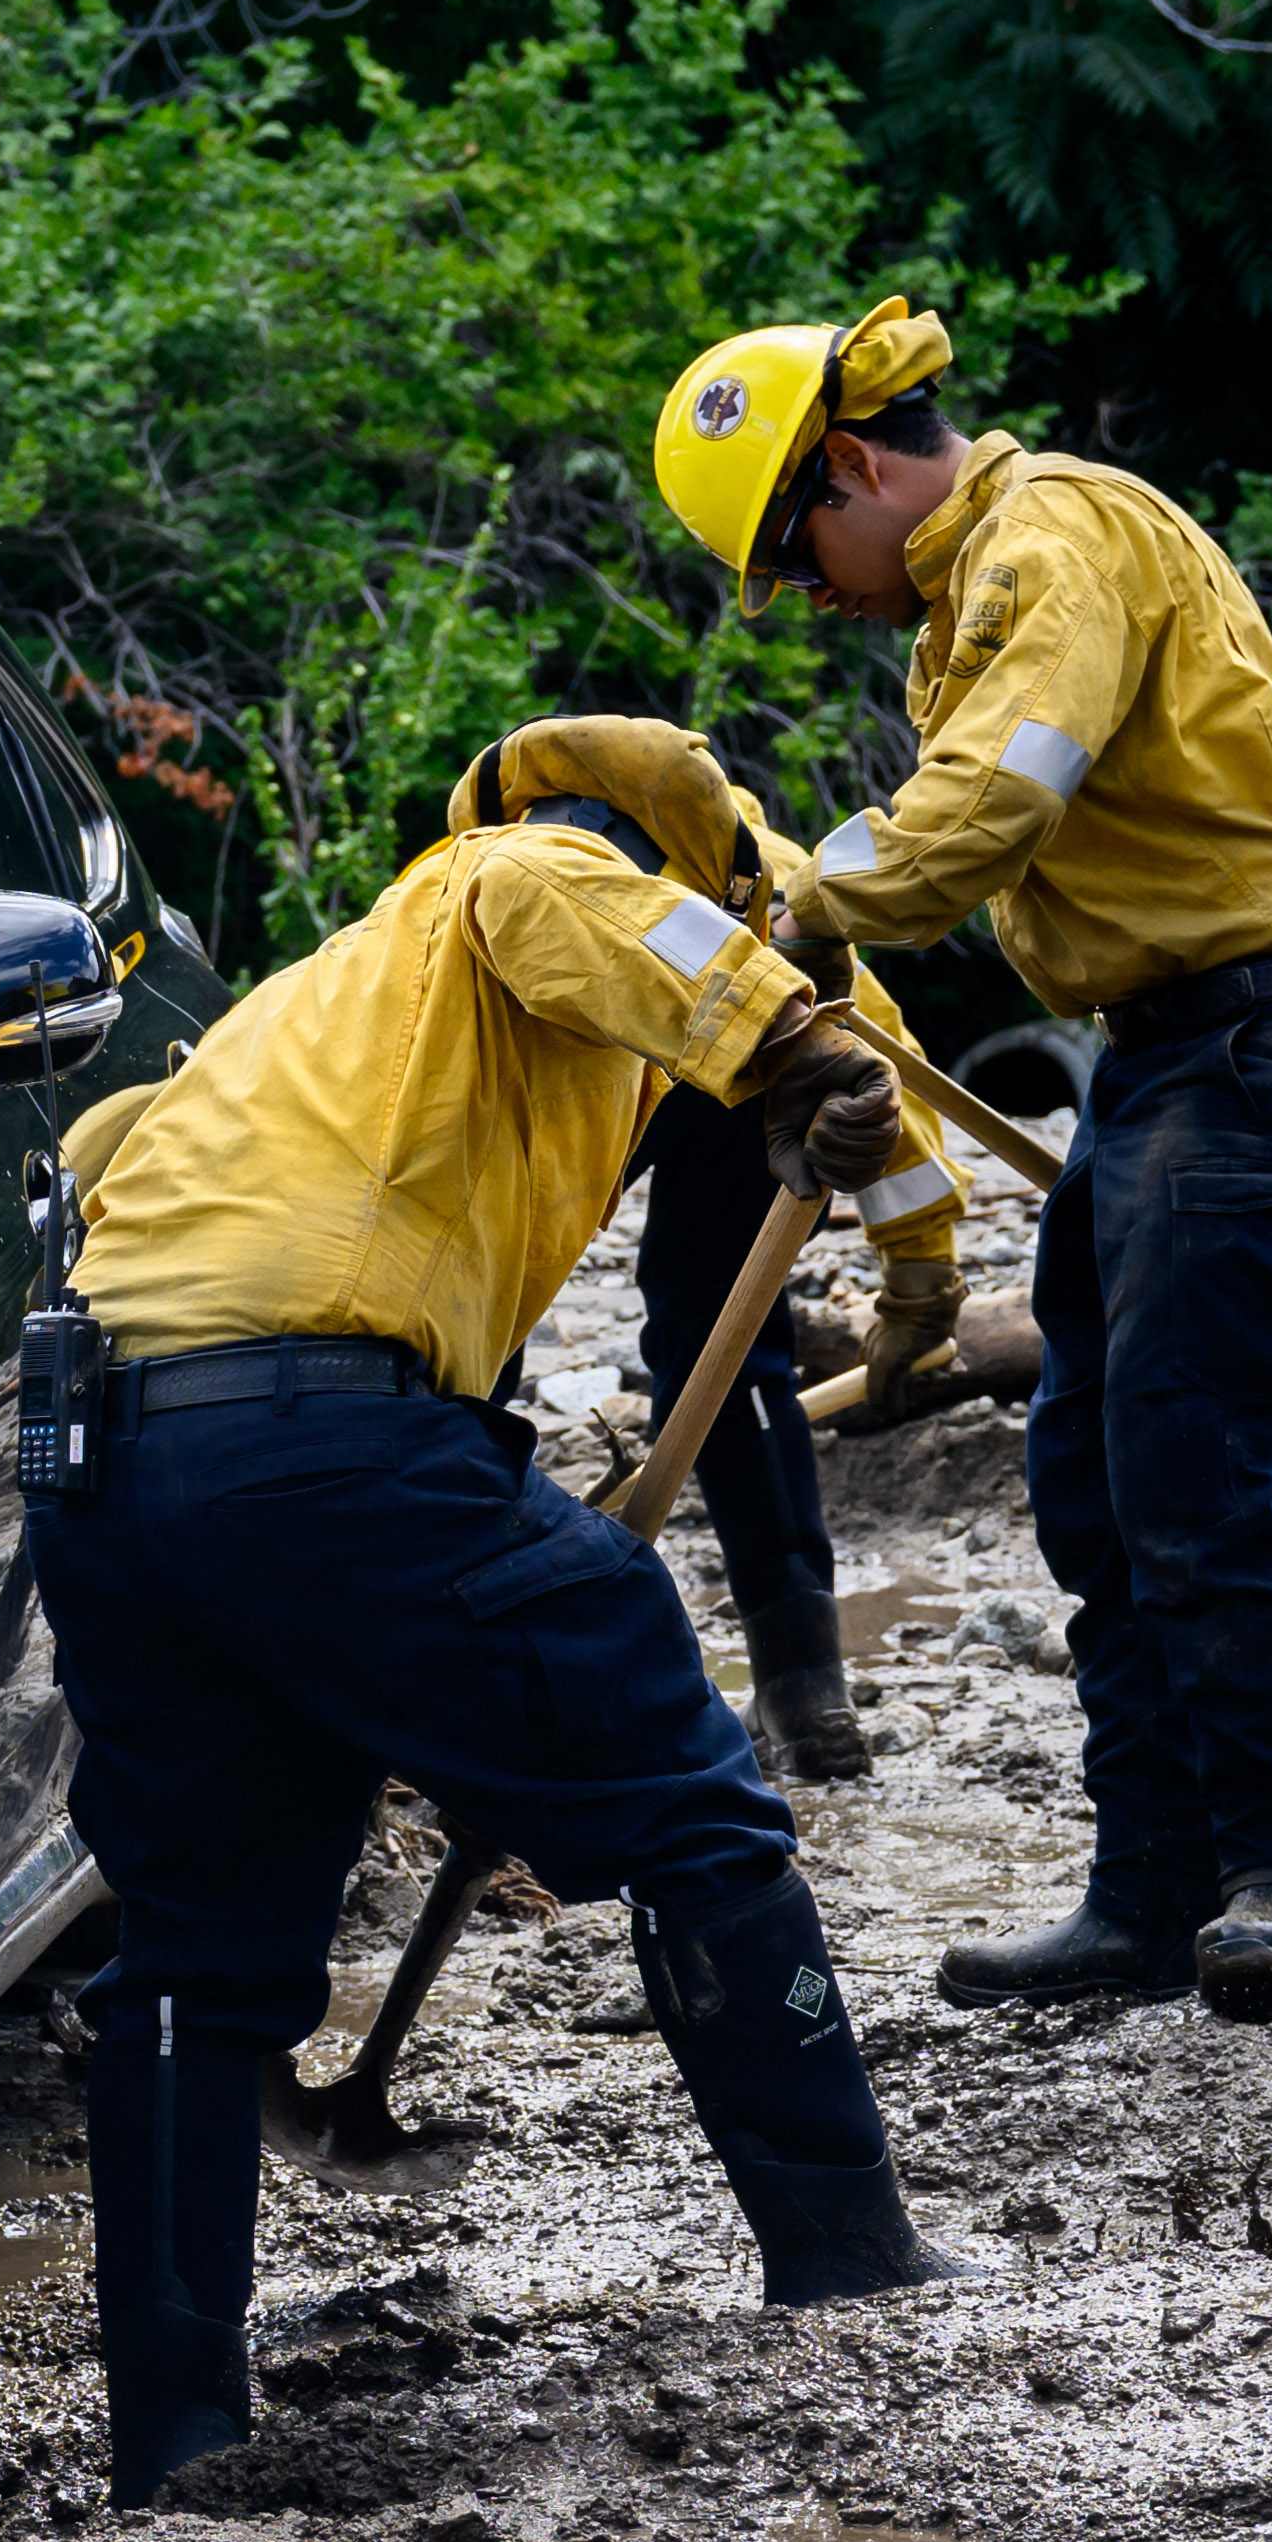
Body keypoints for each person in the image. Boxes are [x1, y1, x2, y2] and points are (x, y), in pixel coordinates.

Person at [45, 714, 990, 2511]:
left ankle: (173, 2439)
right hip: (319, 1427)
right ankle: (852, 2268)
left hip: (104, 1452)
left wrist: (914, 1298)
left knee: (194, 1948)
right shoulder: (526, 874)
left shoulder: (325, 999)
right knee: (693, 1804)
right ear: (688, 877)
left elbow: (110, 1155)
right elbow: (743, 996)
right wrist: (786, 1041)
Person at [652, 297, 1272, 2018]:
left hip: (1255, 1057)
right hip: (1167, 1065)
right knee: (1088, 1467)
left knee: (1183, 1473)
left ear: (852, 463)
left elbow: (986, 805)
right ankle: (1150, 1893)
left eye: (795, 548)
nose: (808, 593)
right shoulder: (980, 579)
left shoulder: (1047, 538)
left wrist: (775, 902)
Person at [461, 750, 977, 1789]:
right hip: (733, 1065)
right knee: (732, 1350)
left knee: (477, 1333)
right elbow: (883, 1096)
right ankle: (803, 1683)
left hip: (584, 1059)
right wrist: (918, 1293)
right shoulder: (774, 885)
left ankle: (464, 1680)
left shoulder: (487, 872)